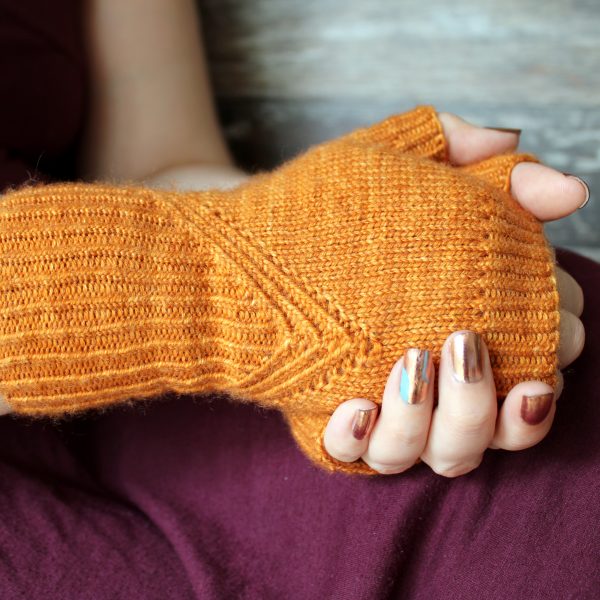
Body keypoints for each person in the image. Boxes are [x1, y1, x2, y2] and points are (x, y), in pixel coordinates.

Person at [2, 0, 579, 478]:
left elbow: (161, 161)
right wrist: (218, 296)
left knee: (560, 365)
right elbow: (202, 274)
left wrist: (304, 230)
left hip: (173, 409)